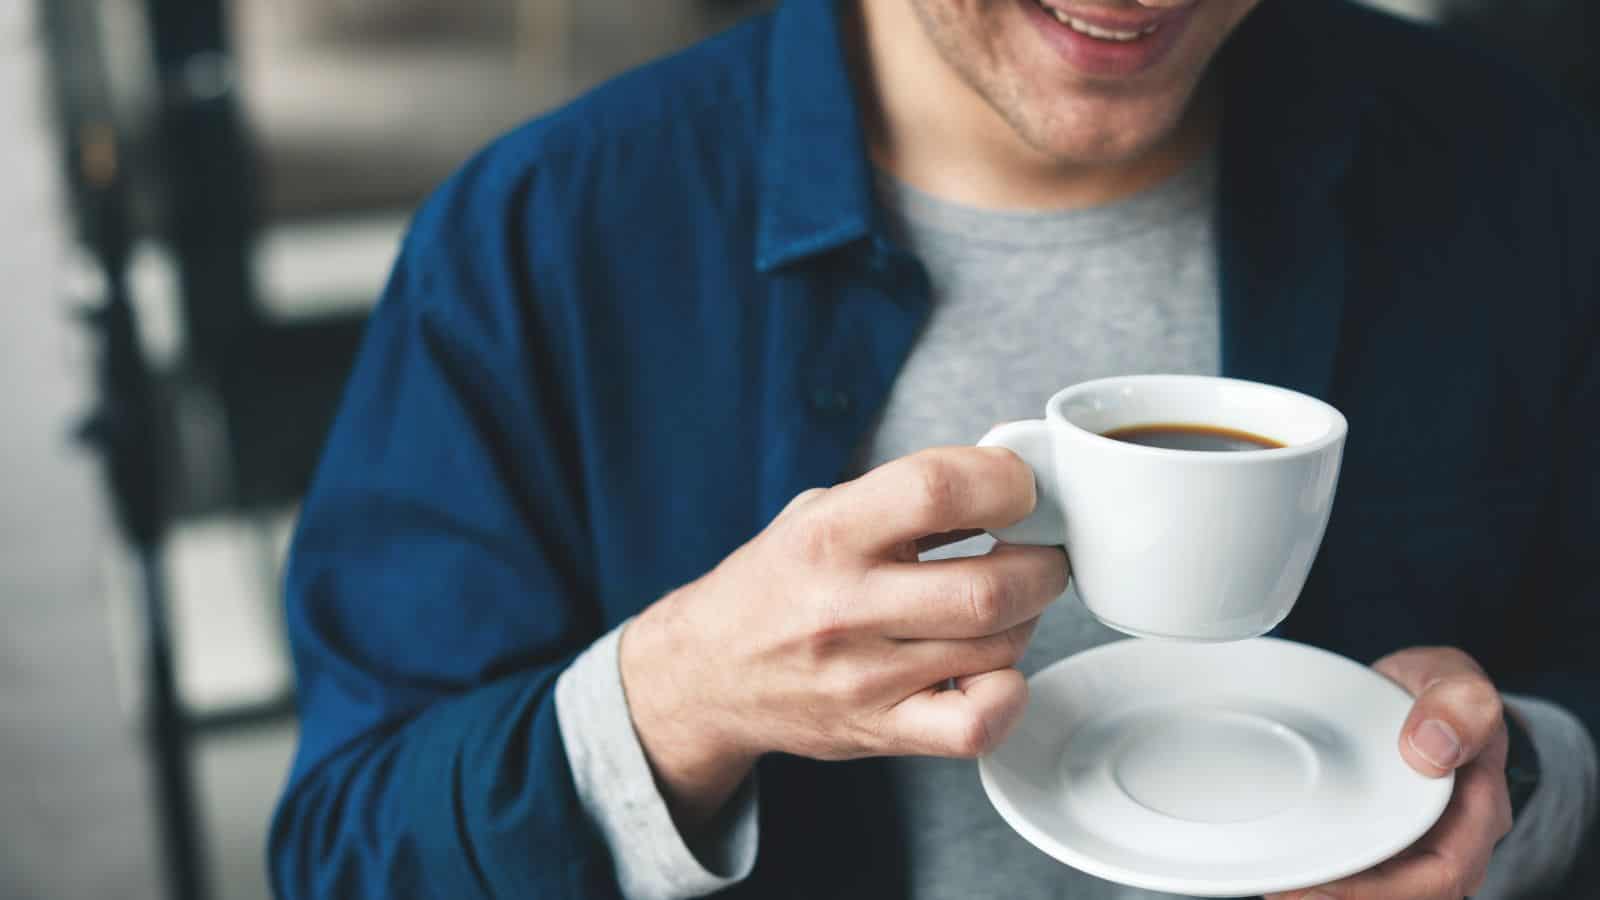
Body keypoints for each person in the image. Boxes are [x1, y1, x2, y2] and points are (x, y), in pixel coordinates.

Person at [267, 0, 1599, 897]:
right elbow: (343, 849)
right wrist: (677, 698)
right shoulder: (539, 237)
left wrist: (1516, 784)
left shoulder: (1516, 170)